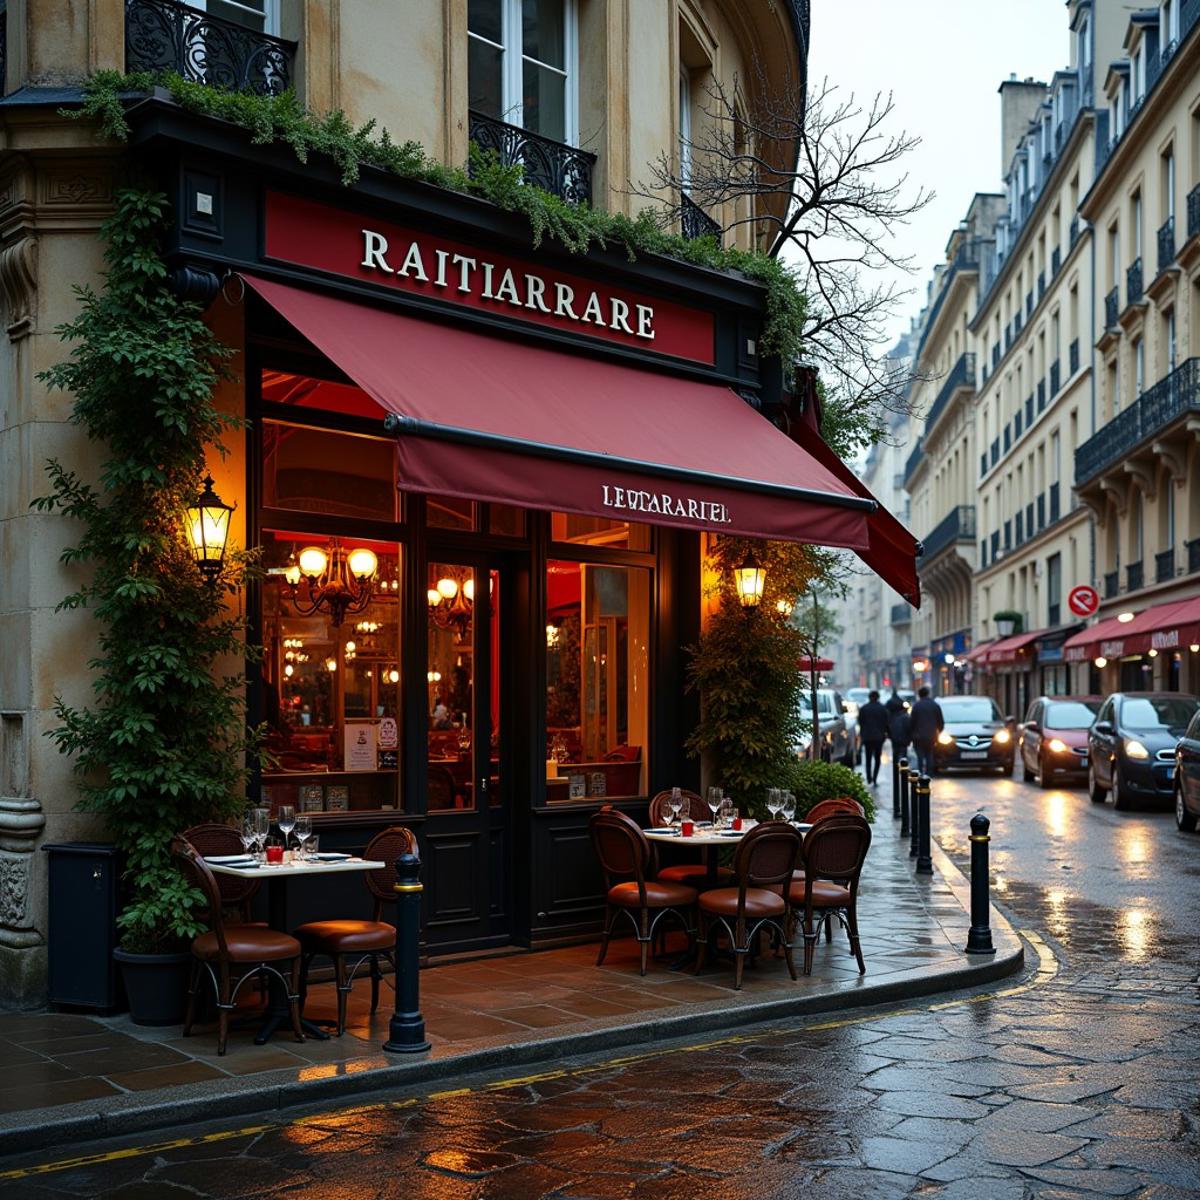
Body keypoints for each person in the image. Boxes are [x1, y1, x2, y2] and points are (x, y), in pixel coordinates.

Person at [857, 689, 890, 786]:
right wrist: (888, 734)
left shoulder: (864, 708)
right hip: (878, 737)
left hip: (867, 737)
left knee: (868, 759)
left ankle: (869, 778)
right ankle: (875, 778)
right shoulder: (883, 709)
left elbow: (860, 722)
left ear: (869, 697)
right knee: (877, 758)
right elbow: (886, 723)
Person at [910, 686, 944, 777]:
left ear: (919, 695)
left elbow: (912, 722)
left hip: (918, 736)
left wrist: (912, 734)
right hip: (931, 735)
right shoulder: (934, 705)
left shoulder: (916, 706)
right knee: (929, 754)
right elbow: (940, 722)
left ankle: (920, 772)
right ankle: (929, 773)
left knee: (920, 756)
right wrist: (937, 732)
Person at [886, 689, 912, 772]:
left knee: (896, 750)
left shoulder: (890, 703)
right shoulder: (901, 703)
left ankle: (896, 766)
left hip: (894, 732)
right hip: (902, 734)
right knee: (903, 751)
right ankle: (902, 765)